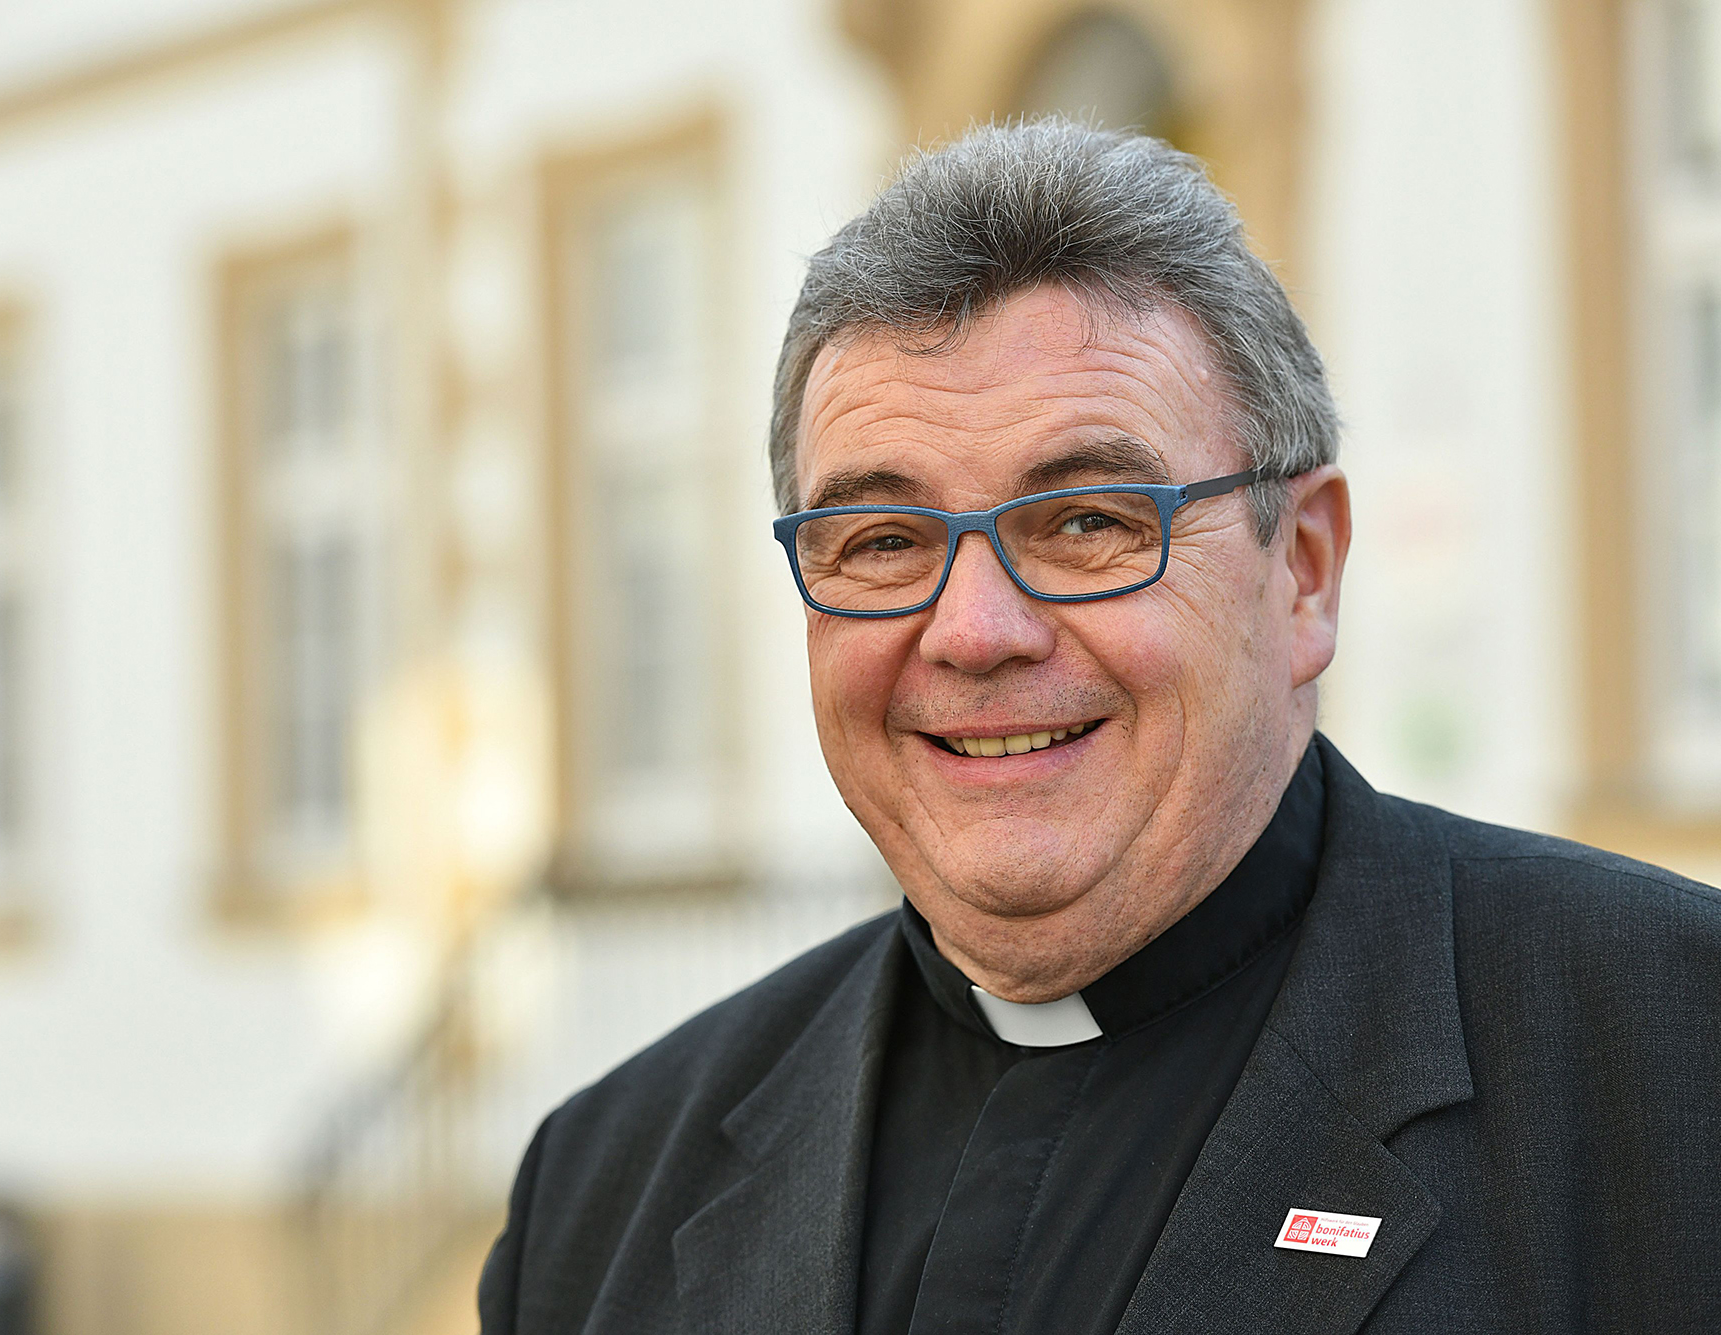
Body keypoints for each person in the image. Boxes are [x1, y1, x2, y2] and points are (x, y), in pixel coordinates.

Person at [476, 120, 1721, 1334]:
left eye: (1085, 522)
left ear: (1301, 569)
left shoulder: (1674, 1059)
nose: (973, 631)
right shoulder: (600, 1196)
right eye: (883, 541)